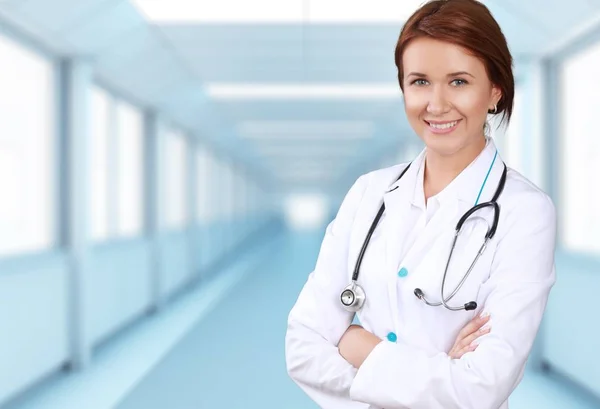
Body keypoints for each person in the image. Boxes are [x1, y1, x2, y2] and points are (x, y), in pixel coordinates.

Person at [284, 0, 557, 408]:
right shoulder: (368, 194)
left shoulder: (525, 212)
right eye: (420, 81)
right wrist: (436, 369)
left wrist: (356, 343)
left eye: (459, 81)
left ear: (495, 91)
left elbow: (480, 389)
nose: (436, 103)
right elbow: (302, 348)